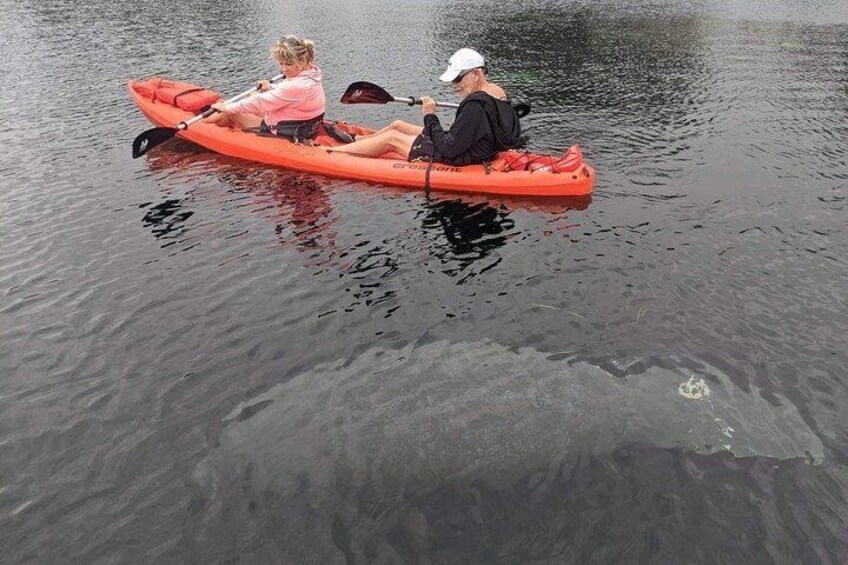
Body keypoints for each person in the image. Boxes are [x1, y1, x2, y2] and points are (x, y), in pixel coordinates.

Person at [328, 48, 525, 165]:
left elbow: (450, 148)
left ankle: (330, 154)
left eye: (458, 79)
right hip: (474, 145)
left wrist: (430, 116)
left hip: (460, 156)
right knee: (398, 124)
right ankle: (354, 141)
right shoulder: (498, 93)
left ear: (476, 74)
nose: (454, 86)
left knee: (392, 139)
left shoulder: (475, 105)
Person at [206, 35, 326, 141]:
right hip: (303, 126)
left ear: (303, 61)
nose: (284, 69)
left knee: (231, 112)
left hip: (284, 132)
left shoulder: (296, 86)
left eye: (289, 64)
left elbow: (259, 102)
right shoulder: (313, 74)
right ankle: (220, 123)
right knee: (252, 95)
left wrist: (227, 107)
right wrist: (270, 87)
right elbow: (291, 94)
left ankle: (200, 126)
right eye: (281, 63)